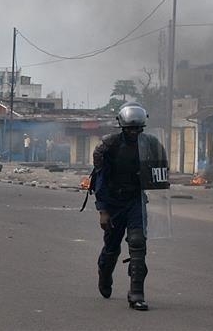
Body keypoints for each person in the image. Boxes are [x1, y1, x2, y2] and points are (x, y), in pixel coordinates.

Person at [90, 102, 168, 311]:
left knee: (137, 243)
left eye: (138, 128)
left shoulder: (150, 143)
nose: (134, 132)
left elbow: (159, 171)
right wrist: (103, 210)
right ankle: (104, 273)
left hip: (135, 200)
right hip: (113, 202)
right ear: (123, 127)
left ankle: (136, 294)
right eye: (130, 129)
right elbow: (100, 180)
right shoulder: (109, 146)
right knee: (111, 248)